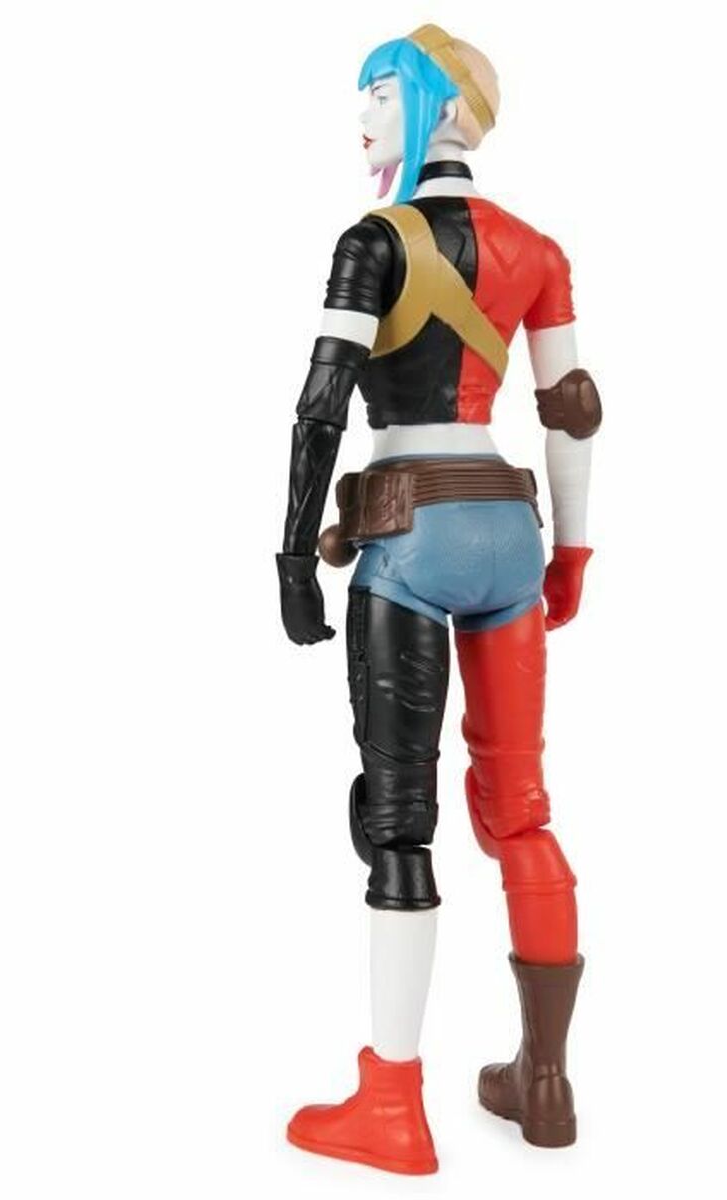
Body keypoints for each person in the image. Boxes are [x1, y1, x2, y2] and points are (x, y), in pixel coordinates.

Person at [275, 25, 602, 1175]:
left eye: (381, 93)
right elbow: (572, 412)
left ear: (438, 108)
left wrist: (290, 556)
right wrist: (574, 551)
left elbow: (322, 407)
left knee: (399, 819)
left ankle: (392, 1104)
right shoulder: (537, 249)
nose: (364, 116)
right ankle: (544, 1082)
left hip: (410, 535)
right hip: (509, 532)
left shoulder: (373, 241)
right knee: (521, 811)